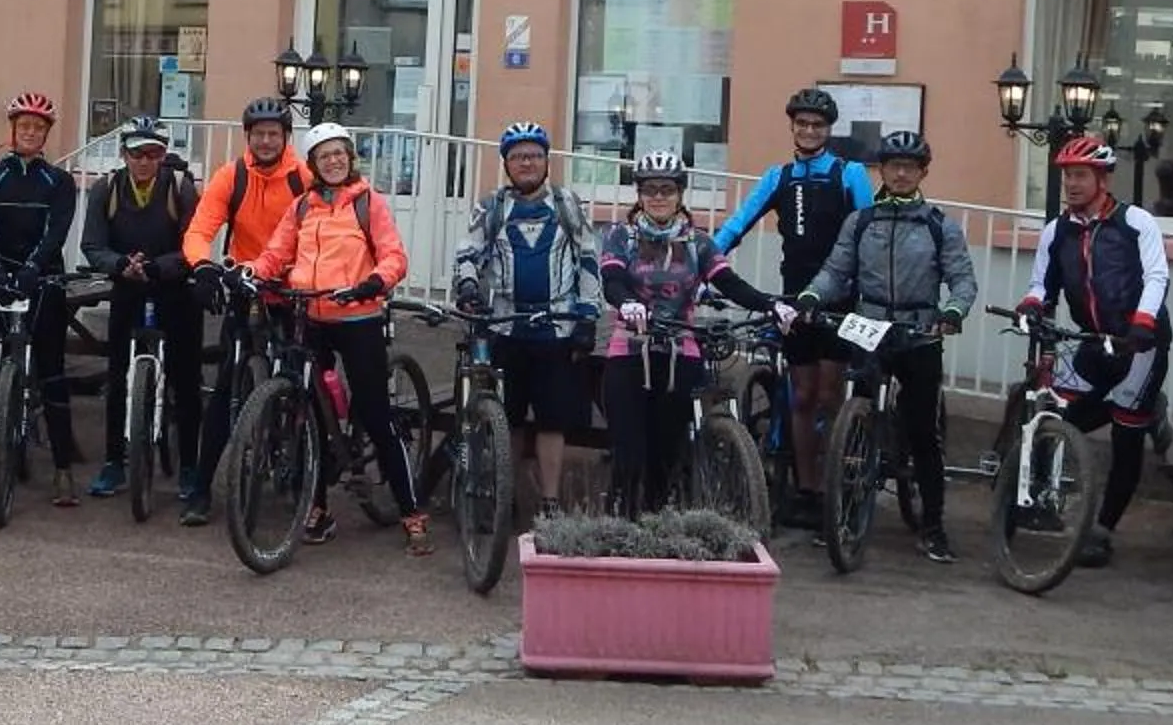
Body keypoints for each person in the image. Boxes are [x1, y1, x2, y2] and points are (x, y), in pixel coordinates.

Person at [787, 131, 977, 561]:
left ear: (923, 171)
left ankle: (933, 525)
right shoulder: (861, 222)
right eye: (894, 165)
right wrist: (812, 295)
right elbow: (835, 270)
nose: (902, 172)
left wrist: (953, 312)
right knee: (852, 423)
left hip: (919, 332)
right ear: (883, 171)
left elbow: (962, 279)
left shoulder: (938, 224)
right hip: (868, 328)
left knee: (923, 433)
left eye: (911, 166)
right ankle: (844, 514)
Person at [246, 121, 427, 553]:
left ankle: (411, 512)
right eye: (325, 155)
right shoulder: (303, 207)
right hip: (310, 315)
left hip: (358, 317)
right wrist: (249, 274)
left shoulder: (369, 202)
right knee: (308, 410)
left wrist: (374, 282)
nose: (333, 161)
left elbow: (394, 255)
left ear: (349, 157)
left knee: (376, 414)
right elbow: (276, 253)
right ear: (313, 164)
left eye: (339, 153)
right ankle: (318, 508)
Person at [1016, 135, 1172, 566]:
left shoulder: (1136, 222)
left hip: (1140, 342)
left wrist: (1142, 323)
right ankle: (1031, 500)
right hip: (1090, 341)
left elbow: (1157, 277)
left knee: (1126, 434)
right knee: (1060, 418)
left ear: (1102, 179)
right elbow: (1041, 284)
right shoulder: (1057, 231)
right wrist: (1032, 305)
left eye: (1080, 175)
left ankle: (1103, 529)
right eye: (1067, 175)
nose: (1071, 183)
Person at [714, 88, 875, 497]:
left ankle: (837, 481)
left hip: (840, 299)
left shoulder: (848, 173)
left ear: (828, 130)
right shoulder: (779, 177)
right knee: (802, 395)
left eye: (817, 125)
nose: (808, 130)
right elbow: (738, 224)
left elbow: (868, 235)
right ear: (792, 127)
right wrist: (702, 259)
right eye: (802, 124)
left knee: (829, 392)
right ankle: (809, 488)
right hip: (794, 300)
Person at [598, 150, 776, 516]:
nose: (658, 197)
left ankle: (658, 522)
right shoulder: (621, 236)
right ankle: (622, 521)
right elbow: (612, 280)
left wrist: (770, 305)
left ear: (680, 193)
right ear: (639, 193)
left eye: (667, 189)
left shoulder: (698, 243)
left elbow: (729, 282)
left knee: (668, 451)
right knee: (630, 450)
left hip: (682, 353)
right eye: (650, 189)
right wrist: (628, 303)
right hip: (631, 352)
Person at [451, 120, 601, 521]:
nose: (527, 163)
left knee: (553, 421)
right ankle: (505, 496)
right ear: (507, 164)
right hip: (505, 326)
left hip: (557, 328)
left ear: (546, 160)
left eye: (534, 155)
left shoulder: (567, 205)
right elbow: (468, 253)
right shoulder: (492, 207)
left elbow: (589, 260)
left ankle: (549, 501)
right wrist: (467, 288)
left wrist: (588, 316)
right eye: (518, 157)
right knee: (508, 419)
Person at [182, 95, 313, 528]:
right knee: (225, 388)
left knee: (301, 383)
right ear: (248, 137)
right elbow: (200, 229)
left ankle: (304, 475)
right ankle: (202, 490)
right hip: (245, 286)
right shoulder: (232, 176)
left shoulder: (303, 178)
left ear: (285, 137)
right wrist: (202, 266)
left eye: (274, 134)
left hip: (294, 290)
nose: (266, 141)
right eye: (259, 135)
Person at [0, 90, 85, 504]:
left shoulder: (60, 181)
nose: (30, 132)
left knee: (52, 374)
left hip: (42, 280)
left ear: (47, 133)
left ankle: (63, 471)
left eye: (38, 127)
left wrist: (33, 268)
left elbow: (57, 231)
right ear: (12, 129)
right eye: (23, 125)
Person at [80, 117, 203, 506]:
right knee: (118, 376)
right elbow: (92, 244)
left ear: (163, 155)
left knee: (186, 379)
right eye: (137, 154)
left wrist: (158, 267)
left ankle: (189, 467)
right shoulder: (107, 189)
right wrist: (120, 265)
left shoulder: (181, 189)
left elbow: (193, 244)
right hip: (127, 289)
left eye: (152, 153)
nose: (144, 161)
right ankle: (114, 461)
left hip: (174, 290)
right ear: (124, 155)